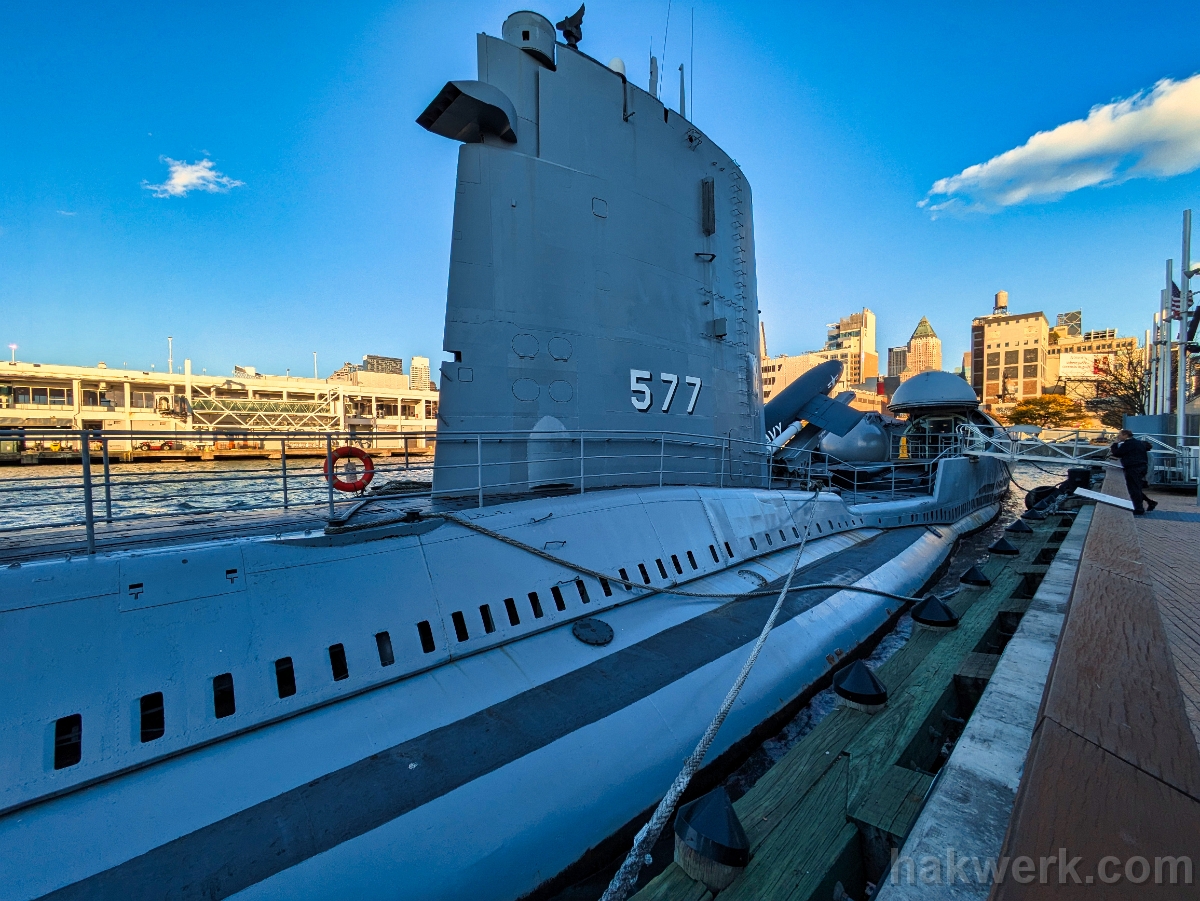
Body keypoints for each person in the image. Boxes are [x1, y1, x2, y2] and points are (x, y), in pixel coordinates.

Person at [1110, 429, 1158, 515]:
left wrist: (1115, 444)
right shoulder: (1138, 443)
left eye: (1120, 435)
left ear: (1125, 435)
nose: (1118, 436)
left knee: (1134, 489)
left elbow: (1117, 453)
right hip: (1141, 467)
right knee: (1136, 487)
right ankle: (1149, 502)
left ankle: (1139, 509)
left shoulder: (1128, 444)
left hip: (1133, 468)